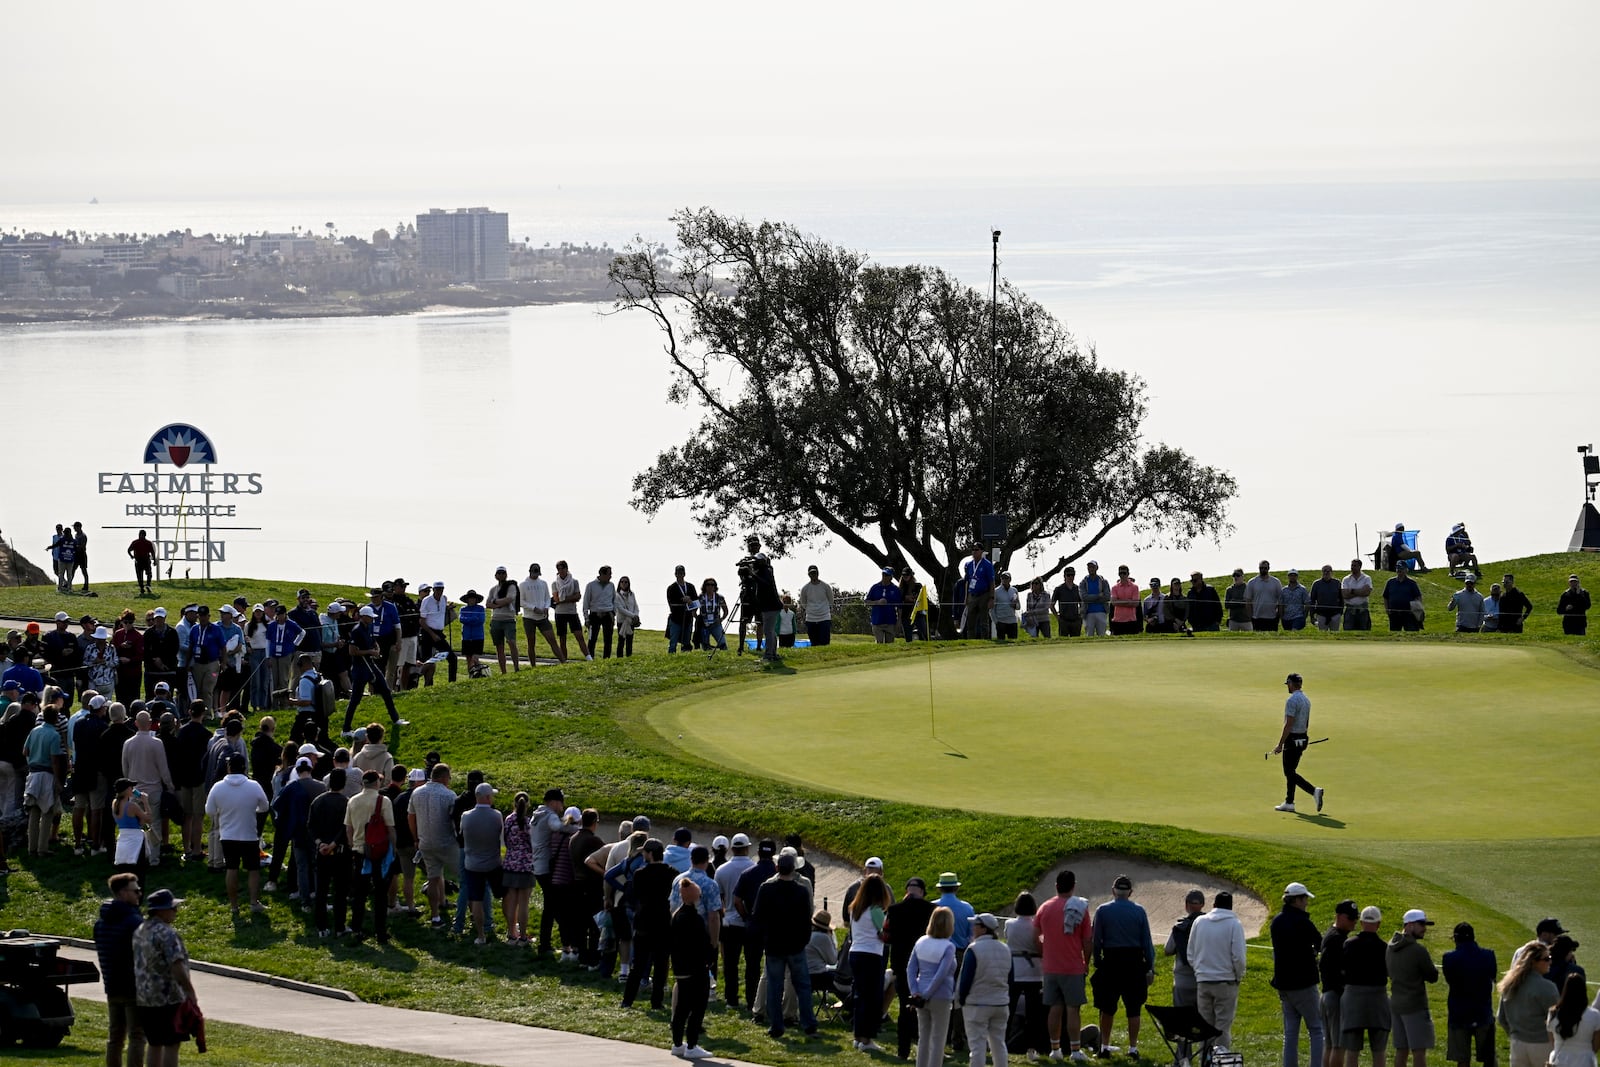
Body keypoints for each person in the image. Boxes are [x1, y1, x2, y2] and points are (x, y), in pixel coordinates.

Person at [752, 848, 818, 1038]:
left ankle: (776, 1026)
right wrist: (804, 940)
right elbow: (807, 918)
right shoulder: (801, 891)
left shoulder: (766, 889)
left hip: (773, 945)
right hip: (796, 945)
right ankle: (809, 1024)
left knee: (774, 986)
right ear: (794, 869)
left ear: (777, 867)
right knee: (803, 986)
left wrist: (764, 939)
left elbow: (758, 917)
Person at [132, 888, 198, 1067]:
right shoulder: (167, 933)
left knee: (154, 1043)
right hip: (168, 997)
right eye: (173, 908)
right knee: (171, 1043)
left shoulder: (140, 930)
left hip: (145, 997)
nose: (175, 912)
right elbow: (176, 965)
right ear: (161, 910)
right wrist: (189, 991)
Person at [1090, 874, 1154, 1060]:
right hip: (1134, 963)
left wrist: (1097, 960)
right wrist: (1150, 965)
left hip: (1111, 961)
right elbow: (1146, 942)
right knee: (1134, 1008)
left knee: (1107, 1007)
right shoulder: (1139, 911)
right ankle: (1133, 1048)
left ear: (1113, 891)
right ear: (1130, 892)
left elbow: (1096, 940)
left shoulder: (1103, 910)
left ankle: (1104, 1046)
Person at [1036, 868, 1094, 1062]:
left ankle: (1055, 1049)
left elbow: (1036, 935)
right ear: (1074, 886)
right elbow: (1087, 940)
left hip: (1051, 966)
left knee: (1054, 1008)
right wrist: (1086, 961)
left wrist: (1044, 953)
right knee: (1072, 1009)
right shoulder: (1080, 908)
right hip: (1072, 966)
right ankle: (1075, 1050)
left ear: (1056, 886)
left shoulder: (1044, 907)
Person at [205, 751, 270, 917]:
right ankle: (254, 902)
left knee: (231, 869)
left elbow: (209, 810)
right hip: (249, 834)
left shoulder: (218, 787)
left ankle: (234, 906)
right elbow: (264, 806)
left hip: (227, 835)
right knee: (253, 870)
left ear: (228, 767)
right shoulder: (253, 786)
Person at [95, 872, 147, 1067]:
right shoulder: (134, 922)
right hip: (134, 986)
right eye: (136, 890)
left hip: (112, 984)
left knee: (115, 1036)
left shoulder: (101, 922)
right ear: (123, 892)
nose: (139, 894)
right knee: (137, 1035)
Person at [1275, 883, 1327, 1067]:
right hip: (1303, 983)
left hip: (1284, 984)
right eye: (1304, 899)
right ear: (1296, 900)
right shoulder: (1303, 922)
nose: (1306, 903)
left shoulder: (1277, 921)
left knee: (1290, 1032)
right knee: (1316, 1028)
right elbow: (1320, 943)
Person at [343, 767, 396, 944]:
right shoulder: (384, 801)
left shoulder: (352, 801)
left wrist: (352, 845)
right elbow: (390, 828)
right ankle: (381, 933)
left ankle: (356, 928)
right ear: (377, 782)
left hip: (359, 851)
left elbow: (348, 828)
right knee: (380, 894)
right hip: (380, 853)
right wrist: (394, 849)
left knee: (360, 894)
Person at [1189, 890, 1246, 1055]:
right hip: (1226, 981)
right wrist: (1238, 975)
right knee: (1222, 1028)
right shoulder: (1234, 924)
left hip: (1203, 981)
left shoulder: (1199, 921)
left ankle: (1205, 1060)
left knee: (1205, 1027)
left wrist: (1200, 971)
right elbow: (1239, 957)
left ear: (1213, 905)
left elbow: (1191, 953)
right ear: (1231, 907)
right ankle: (1221, 1061)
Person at [669, 876, 715, 1059]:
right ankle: (692, 1044)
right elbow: (702, 944)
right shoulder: (694, 919)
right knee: (697, 1007)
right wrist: (710, 958)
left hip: (680, 968)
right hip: (695, 969)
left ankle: (678, 1043)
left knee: (681, 1008)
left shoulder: (677, 915)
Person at [1441, 922, 1497, 1067]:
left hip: (1459, 1013)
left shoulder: (1449, 958)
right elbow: (1492, 977)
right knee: (1488, 1058)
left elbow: (1450, 980)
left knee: (1462, 1059)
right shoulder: (1488, 955)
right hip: (1483, 1012)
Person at [960, 912, 1012, 1067]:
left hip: (977, 1003)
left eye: (975, 925)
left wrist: (962, 998)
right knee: (999, 1044)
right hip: (1000, 1003)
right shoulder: (1005, 948)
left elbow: (966, 978)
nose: (973, 928)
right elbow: (1010, 976)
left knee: (977, 1046)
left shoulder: (974, 949)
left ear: (983, 928)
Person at [848, 871, 893, 1050]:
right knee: (872, 998)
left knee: (860, 996)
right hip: (871, 955)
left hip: (856, 953)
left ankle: (858, 1036)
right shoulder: (875, 910)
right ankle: (867, 1039)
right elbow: (883, 935)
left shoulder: (855, 909)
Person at [1342, 906, 1393, 1067]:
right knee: (1378, 1050)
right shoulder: (1384, 947)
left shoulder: (1349, 944)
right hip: (1378, 998)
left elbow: (1342, 969)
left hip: (1353, 998)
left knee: (1352, 1050)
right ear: (1378, 924)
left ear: (1362, 922)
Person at [1496, 940, 1559, 1067]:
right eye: (1546, 958)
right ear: (1534, 962)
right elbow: (1557, 1020)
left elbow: (1501, 1017)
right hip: (1543, 1045)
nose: (1550, 962)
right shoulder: (1547, 987)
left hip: (1517, 1045)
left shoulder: (1509, 984)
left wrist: (1515, 1034)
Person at [911, 906, 959, 1067]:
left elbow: (910, 969)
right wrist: (928, 993)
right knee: (938, 1039)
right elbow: (942, 973)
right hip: (941, 995)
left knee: (923, 1037)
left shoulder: (921, 941)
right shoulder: (948, 946)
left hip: (920, 992)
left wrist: (915, 991)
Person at [460, 780, 504, 945]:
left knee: (476, 900)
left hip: (472, 864)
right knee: (504, 896)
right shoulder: (496, 815)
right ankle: (511, 931)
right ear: (486, 797)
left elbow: (462, 834)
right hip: (493, 863)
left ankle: (480, 935)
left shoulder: (466, 816)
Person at [1274, 673, 1324, 814]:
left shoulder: (1292, 700)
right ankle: (1289, 802)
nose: (1287, 687)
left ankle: (1314, 791)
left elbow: (1288, 725)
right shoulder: (1306, 700)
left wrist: (1280, 744)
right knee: (1291, 771)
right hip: (1302, 738)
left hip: (1292, 739)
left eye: (1288, 684)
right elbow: (1306, 723)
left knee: (1288, 772)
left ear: (1291, 683)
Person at [1006, 893, 1048, 1061]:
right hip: (1034, 971)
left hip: (1015, 969)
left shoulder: (1010, 924)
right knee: (1033, 1013)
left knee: (1009, 1008)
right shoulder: (1036, 926)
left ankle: (1002, 1042)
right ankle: (1031, 1048)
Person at [1321, 900, 1360, 1067]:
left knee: (1330, 1045)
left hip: (1328, 994)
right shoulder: (1336, 939)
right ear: (1339, 916)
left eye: (1355, 918)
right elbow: (1327, 967)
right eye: (1350, 918)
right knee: (1338, 1045)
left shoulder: (1334, 935)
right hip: (1335, 995)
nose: (1354, 922)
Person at [1546, 972, 1600, 1067]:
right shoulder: (1594, 1015)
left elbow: (1552, 1041)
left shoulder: (1553, 1013)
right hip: (1584, 1061)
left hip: (1559, 1060)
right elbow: (1595, 1045)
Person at [550, 560, 593, 662]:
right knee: (562, 638)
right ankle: (564, 660)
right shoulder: (555, 583)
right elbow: (556, 599)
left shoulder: (574, 582)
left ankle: (588, 658)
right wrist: (569, 598)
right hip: (560, 613)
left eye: (563, 568)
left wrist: (564, 599)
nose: (561, 571)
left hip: (572, 612)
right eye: (559, 569)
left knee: (579, 636)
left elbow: (578, 596)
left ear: (566, 569)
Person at [485, 566, 524, 673]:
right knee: (499, 646)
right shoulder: (493, 589)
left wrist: (495, 602)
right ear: (495, 575)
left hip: (509, 619)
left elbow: (509, 599)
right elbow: (487, 604)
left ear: (506, 574)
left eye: (503, 573)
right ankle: (503, 672)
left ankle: (516, 668)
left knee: (511, 642)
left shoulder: (511, 586)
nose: (501, 575)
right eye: (499, 573)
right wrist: (498, 604)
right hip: (496, 620)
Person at [582, 565, 618, 659]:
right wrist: (586, 618)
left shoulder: (611, 585)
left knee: (608, 639)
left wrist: (613, 613)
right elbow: (586, 602)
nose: (610, 576)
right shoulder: (591, 585)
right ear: (602, 574)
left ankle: (606, 659)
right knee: (592, 639)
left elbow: (615, 600)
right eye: (609, 574)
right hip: (595, 614)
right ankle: (591, 659)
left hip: (608, 614)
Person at [963, 545, 997, 640]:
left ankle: (984, 640)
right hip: (972, 595)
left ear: (982, 551)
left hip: (984, 594)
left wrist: (991, 598)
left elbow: (992, 582)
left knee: (983, 620)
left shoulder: (987, 564)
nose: (974, 551)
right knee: (970, 620)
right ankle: (971, 641)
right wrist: (966, 597)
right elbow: (967, 581)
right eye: (973, 550)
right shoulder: (968, 565)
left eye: (976, 550)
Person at [797, 565, 834, 646]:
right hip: (811, 618)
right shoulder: (805, 588)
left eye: (815, 573)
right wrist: (811, 610)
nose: (813, 575)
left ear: (818, 573)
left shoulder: (826, 586)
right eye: (811, 573)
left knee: (825, 642)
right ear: (808, 574)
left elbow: (831, 600)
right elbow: (803, 603)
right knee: (814, 642)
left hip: (824, 617)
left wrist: (824, 609)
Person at [867, 566, 904, 643]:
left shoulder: (895, 589)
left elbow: (900, 606)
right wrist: (877, 602)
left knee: (890, 644)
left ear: (891, 577)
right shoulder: (875, 587)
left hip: (890, 621)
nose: (884, 577)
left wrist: (899, 620)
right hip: (877, 621)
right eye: (883, 574)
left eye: (887, 575)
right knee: (879, 643)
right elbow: (867, 601)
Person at [1382, 566, 1424, 633]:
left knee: (1411, 633)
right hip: (1394, 614)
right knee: (1394, 634)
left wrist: (1417, 610)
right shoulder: (1390, 582)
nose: (1399, 570)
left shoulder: (1412, 583)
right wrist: (1387, 609)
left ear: (1406, 570)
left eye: (1401, 568)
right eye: (1398, 568)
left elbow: (1418, 597)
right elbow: (1385, 597)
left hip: (1409, 614)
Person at [1248, 560, 1285, 632]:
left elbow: (1280, 600)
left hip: (1272, 618)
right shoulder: (1252, 582)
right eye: (1261, 568)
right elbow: (1248, 600)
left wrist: (1279, 615)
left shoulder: (1276, 582)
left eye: (1265, 568)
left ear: (1268, 568)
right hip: (1257, 617)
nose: (1263, 570)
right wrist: (1250, 616)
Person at [667, 565, 697, 654]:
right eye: (678, 573)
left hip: (688, 618)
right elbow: (671, 603)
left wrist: (690, 601)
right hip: (676, 619)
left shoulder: (691, 586)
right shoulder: (671, 588)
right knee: (673, 641)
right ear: (675, 574)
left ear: (684, 574)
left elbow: (697, 602)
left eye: (682, 573)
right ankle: (671, 655)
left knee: (687, 640)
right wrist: (682, 600)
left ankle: (686, 655)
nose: (680, 575)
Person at [1342, 560, 1375, 632]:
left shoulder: (1366, 578)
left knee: (1364, 631)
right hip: (1350, 610)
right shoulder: (1346, 579)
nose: (1352, 567)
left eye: (1355, 566)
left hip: (1362, 610)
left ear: (1360, 567)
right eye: (1352, 565)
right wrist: (1360, 591)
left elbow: (1367, 593)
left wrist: (1352, 591)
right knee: (1348, 631)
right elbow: (1344, 594)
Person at [1310, 565, 1345, 632]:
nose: (1326, 573)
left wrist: (1340, 612)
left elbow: (1342, 599)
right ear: (1322, 572)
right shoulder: (1316, 584)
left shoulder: (1337, 583)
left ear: (1331, 572)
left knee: (1335, 634)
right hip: (1321, 614)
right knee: (1322, 635)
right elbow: (1312, 600)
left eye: (1328, 571)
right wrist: (1312, 615)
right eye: (1324, 571)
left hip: (1335, 614)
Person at [1108, 566, 1141, 636]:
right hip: (1117, 621)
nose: (1122, 575)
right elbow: (1114, 603)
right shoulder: (1114, 588)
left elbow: (1135, 603)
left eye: (1124, 573)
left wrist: (1119, 601)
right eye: (1120, 573)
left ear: (1128, 573)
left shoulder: (1135, 587)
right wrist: (1128, 601)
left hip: (1131, 620)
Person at [1053, 567, 1084, 638]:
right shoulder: (1059, 589)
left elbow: (1082, 603)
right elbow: (1052, 605)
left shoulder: (1078, 589)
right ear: (1064, 576)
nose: (1070, 577)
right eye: (1068, 575)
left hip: (1076, 620)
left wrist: (1081, 616)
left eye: (1072, 575)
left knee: (1076, 642)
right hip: (1064, 620)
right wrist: (1057, 617)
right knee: (1063, 642)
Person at [614, 576, 642, 657]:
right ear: (619, 583)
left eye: (626, 582)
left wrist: (636, 615)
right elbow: (620, 609)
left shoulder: (631, 594)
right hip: (622, 621)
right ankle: (619, 658)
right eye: (622, 582)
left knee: (630, 641)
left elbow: (635, 606)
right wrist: (633, 615)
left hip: (631, 621)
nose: (624, 583)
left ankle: (629, 657)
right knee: (621, 640)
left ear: (628, 583)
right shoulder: (617, 595)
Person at [992, 572, 1021, 640]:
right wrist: (996, 621)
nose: (1004, 580)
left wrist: (1014, 605)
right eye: (1003, 578)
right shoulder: (996, 591)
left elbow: (1018, 606)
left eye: (1006, 578)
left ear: (1010, 579)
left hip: (1012, 621)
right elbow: (992, 609)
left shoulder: (1014, 590)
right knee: (1001, 642)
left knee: (1013, 642)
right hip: (1001, 621)